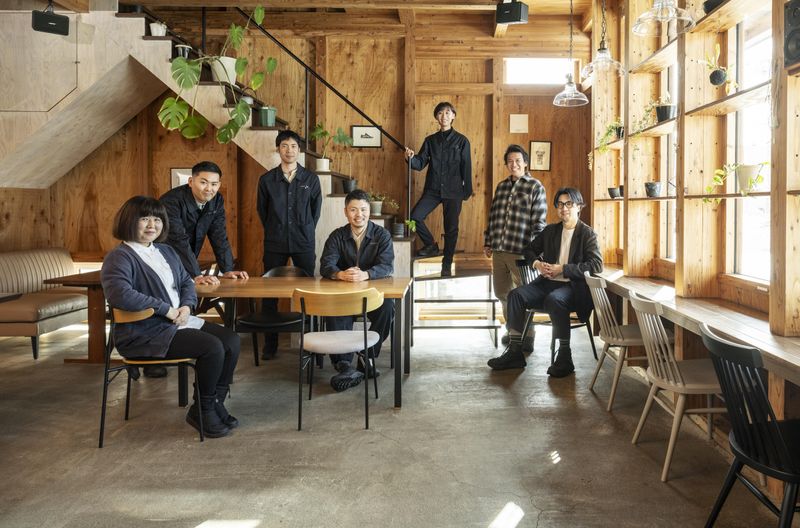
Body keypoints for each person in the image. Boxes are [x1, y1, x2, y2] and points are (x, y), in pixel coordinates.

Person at [100, 196, 241, 438]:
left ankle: (214, 402)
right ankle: (203, 410)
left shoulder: (165, 250)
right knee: (212, 347)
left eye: (157, 219)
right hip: (144, 332)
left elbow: (186, 282)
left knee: (231, 341)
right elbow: (120, 294)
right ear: (129, 221)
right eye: (144, 219)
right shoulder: (119, 256)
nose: (152, 225)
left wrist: (186, 306)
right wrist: (165, 309)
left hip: (178, 321)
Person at [487, 187, 602, 378]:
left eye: (569, 204)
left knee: (555, 299)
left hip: (572, 288)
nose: (564, 208)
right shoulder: (551, 231)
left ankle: (564, 356)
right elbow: (529, 250)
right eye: (560, 204)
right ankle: (515, 352)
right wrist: (537, 264)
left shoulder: (587, 234)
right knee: (515, 295)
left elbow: (596, 265)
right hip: (547, 284)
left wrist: (562, 269)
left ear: (579, 206)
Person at [155, 161, 247, 379]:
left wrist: (226, 269)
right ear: (191, 181)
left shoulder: (216, 200)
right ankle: (154, 359)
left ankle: (188, 349)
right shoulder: (171, 201)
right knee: (165, 306)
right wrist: (195, 274)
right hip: (161, 260)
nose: (209, 188)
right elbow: (178, 240)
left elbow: (219, 234)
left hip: (185, 261)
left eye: (214, 184)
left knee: (184, 308)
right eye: (203, 182)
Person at [319, 189, 395, 392]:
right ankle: (344, 365)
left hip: (371, 295)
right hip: (344, 295)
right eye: (353, 210)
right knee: (333, 309)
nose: (358, 214)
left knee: (388, 307)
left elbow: (387, 266)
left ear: (369, 211)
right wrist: (340, 274)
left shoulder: (382, 235)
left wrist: (366, 274)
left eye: (363, 209)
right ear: (346, 212)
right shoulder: (337, 236)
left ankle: (366, 357)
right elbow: (326, 265)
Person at [257, 129, 322, 360]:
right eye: (284, 146)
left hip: (304, 242)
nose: (289, 150)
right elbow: (262, 212)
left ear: (299, 150)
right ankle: (270, 344)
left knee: (309, 292)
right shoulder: (266, 180)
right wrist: (277, 228)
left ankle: (311, 343)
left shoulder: (311, 179)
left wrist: (303, 229)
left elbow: (315, 212)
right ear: (278, 149)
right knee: (269, 293)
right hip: (274, 242)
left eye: (293, 146)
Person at [484, 144, 548, 350]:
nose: (514, 164)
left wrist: (534, 252)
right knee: (502, 293)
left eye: (518, 161)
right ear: (506, 164)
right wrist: (488, 241)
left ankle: (527, 335)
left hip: (521, 251)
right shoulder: (501, 187)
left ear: (525, 163)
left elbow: (539, 222)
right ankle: (513, 332)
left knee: (523, 294)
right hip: (499, 250)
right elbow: (493, 216)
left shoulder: (535, 187)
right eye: (510, 161)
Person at [405, 101, 472, 276]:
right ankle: (431, 245)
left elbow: (466, 167)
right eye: (440, 113)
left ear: (453, 116)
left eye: (448, 112)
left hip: (454, 191)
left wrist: (466, 191)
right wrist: (410, 158)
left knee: (451, 229)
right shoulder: (430, 141)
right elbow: (420, 163)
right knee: (414, 217)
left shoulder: (462, 141)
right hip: (433, 189)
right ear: (436, 117)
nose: (444, 116)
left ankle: (446, 264)